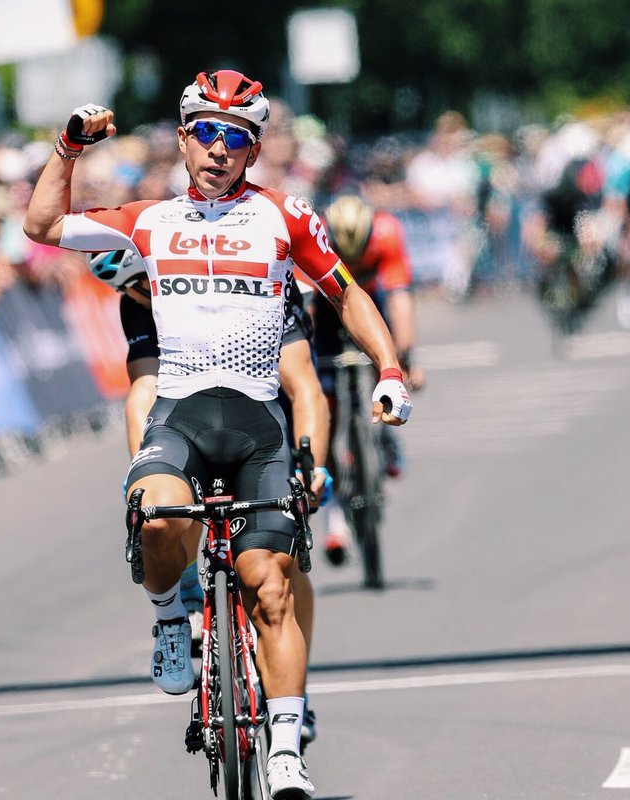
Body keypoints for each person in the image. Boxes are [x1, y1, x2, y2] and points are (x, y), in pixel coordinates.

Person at [25, 69, 411, 799]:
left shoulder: (285, 216)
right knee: (156, 520)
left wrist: (389, 369)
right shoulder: (149, 220)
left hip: (259, 425)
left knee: (273, 586)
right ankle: (171, 616)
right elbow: (42, 228)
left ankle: (287, 748)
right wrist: (67, 150)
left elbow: (347, 293)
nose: (219, 148)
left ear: (253, 150)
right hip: (183, 415)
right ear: (183, 139)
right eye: (205, 132)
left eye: (235, 137)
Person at [91, 247, 332, 745]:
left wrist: (314, 466)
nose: (141, 295)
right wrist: (143, 468)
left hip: (269, 410)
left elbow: (304, 386)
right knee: (176, 502)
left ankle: (296, 689)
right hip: (190, 416)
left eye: (144, 282)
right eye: (130, 289)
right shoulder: (137, 303)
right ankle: (183, 588)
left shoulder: (257, 282)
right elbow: (143, 392)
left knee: (283, 566)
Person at [316, 194, 422, 563]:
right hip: (325, 307)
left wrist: (405, 360)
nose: (356, 264)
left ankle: (388, 437)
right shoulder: (315, 235)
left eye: (360, 257)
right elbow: (303, 310)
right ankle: (334, 517)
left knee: (388, 356)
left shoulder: (387, 233)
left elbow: (400, 300)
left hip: (370, 301)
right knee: (324, 410)